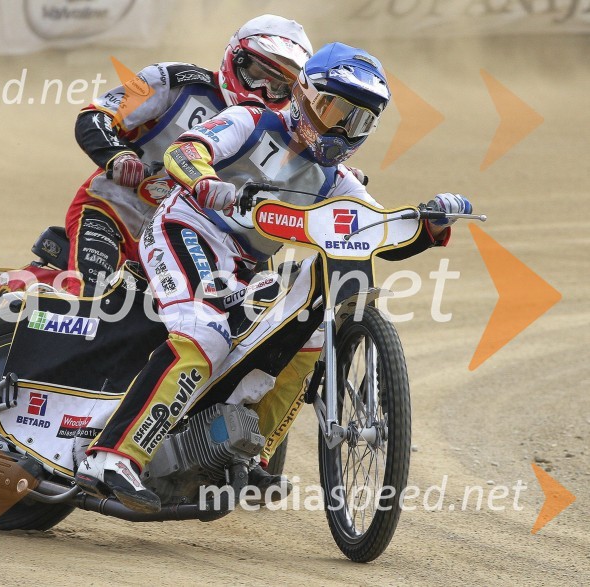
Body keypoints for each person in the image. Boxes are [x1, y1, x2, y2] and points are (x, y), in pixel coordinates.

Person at [75, 42, 473, 513]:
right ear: (304, 92)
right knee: (205, 334)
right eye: (335, 109)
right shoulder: (251, 118)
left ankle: (251, 454)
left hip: (241, 264)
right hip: (186, 229)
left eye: (359, 120)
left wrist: (429, 226)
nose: (343, 129)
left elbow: (377, 233)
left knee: (297, 346)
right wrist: (204, 180)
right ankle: (112, 457)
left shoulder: (337, 180)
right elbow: (187, 150)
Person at [64, 14, 314, 298]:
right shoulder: (172, 80)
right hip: (114, 211)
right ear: (236, 57)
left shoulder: (282, 131)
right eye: (257, 75)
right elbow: (96, 115)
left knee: (247, 315)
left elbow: (305, 180)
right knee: (88, 301)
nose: (263, 91)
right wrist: (119, 156)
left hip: (192, 240)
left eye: (279, 86)